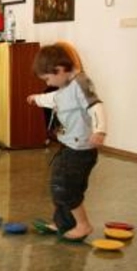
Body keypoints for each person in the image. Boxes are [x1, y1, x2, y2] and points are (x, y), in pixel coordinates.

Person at [27, 44, 107, 241]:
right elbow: (56, 98)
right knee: (58, 184)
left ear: (60, 70)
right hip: (69, 145)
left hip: (80, 150)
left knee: (66, 187)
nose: (49, 83)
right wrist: (37, 99)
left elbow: (95, 105)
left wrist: (100, 130)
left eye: (48, 78)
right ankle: (63, 223)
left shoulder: (80, 83)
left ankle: (83, 225)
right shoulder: (66, 86)